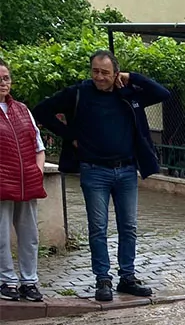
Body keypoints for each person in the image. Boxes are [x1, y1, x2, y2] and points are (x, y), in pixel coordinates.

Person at [33, 50, 170, 302]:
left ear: (116, 73)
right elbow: (41, 111)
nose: (99, 77)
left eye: (105, 72)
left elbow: (163, 93)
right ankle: (102, 280)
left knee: (129, 227)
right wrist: (69, 134)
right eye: (95, 71)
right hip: (94, 171)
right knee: (98, 229)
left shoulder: (127, 93)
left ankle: (127, 277)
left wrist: (132, 77)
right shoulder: (79, 93)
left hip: (127, 170)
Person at [0, 58, 48, 302]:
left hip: (27, 182)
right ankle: (6, 281)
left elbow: (38, 145)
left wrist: (37, 171)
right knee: (1, 236)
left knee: (30, 236)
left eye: (6, 78)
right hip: (1, 184)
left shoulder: (22, 109)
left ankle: (29, 281)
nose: (3, 83)